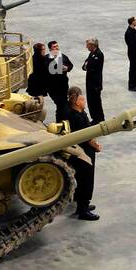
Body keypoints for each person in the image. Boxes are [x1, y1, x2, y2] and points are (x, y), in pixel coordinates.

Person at [64, 86, 100, 221]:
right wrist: (96, 146)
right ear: (76, 102)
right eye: (82, 99)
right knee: (86, 180)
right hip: (84, 153)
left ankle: (82, 205)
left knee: (83, 179)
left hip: (80, 152)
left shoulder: (77, 113)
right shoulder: (78, 117)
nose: (84, 101)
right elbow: (87, 136)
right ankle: (83, 210)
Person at [46, 40, 73, 123]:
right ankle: (63, 121)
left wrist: (67, 68)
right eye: (54, 47)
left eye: (57, 46)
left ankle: (61, 122)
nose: (56, 48)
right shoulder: (47, 59)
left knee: (62, 105)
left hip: (63, 85)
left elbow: (70, 65)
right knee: (61, 104)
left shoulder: (63, 56)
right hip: (53, 87)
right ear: (50, 49)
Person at [82, 38, 105, 124]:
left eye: (87, 45)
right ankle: (95, 118)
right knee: (91, 101)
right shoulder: (91, 53)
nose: (86, 47)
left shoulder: (99, 54)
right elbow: (84, 66)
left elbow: (91, 67)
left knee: (96, 102)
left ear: (93, 45)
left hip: (95, 83)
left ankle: (100, 119)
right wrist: (87, 66)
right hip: (90, 82)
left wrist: (87, 66)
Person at [124, 17, 136, 91]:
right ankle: (131, 85)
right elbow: (131, 44)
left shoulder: (133, 30)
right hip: (133, 53)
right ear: (132, 22)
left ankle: (135, 82)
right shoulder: (128, 32)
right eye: (135, 21)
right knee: (133, 69)